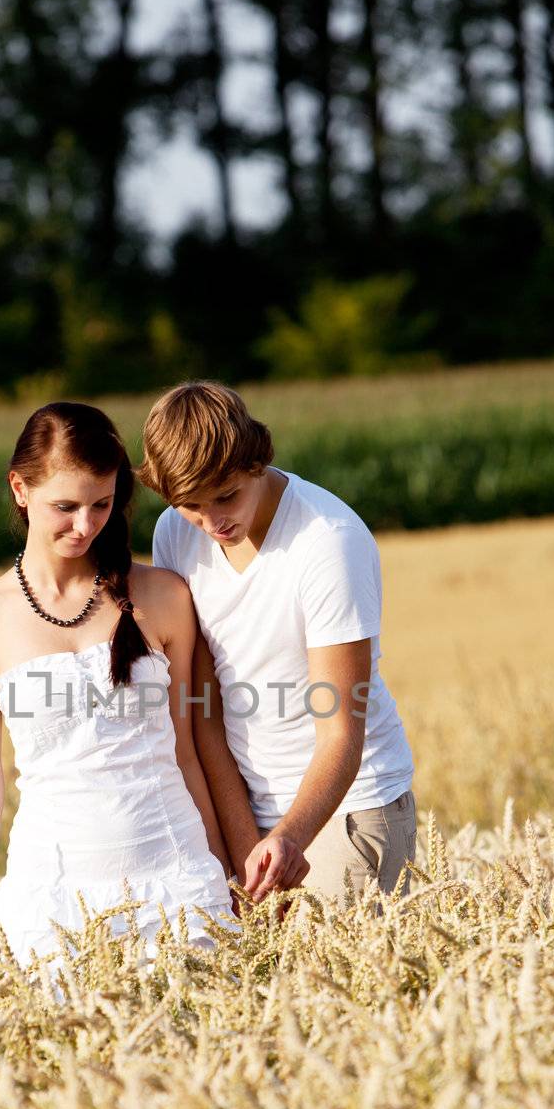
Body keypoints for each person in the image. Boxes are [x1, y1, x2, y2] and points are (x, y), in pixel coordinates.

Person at [0, 400, 238, 976]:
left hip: (177, 884)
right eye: (65, 506)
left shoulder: (164, 597)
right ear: (20, 489)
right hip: (52, 903)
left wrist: (224, 879)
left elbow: (187, 750)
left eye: (101, 505)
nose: (84, 526)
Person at [139, 380, 416, 911]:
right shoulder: (175, 532)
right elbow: (205, 711)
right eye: (190, 504)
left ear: (255, 461)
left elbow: (341, 728)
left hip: (349, 807)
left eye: (225, 497)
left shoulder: (327, 541)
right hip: (249, 813)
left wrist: (289, 837)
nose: (212, 522)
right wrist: (248, 846)